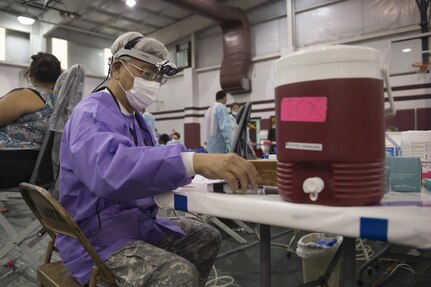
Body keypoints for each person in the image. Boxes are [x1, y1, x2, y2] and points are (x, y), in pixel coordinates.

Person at [56, 31, 260, 287]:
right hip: (96, 239)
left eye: (157, 77)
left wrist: (191, 164)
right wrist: (192, 161)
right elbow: (111, 170)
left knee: (206, 235)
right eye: (146, 73)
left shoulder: (135, 119)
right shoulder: (91, 113)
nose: (153, 83)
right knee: (179, 273)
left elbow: (145, 162)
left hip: (134, 224)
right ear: (117, 68)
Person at [0, 52, 61, 188]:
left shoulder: (27, 95)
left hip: (10, 162)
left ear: (30, 75)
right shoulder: (61, 102)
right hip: (37, 167)